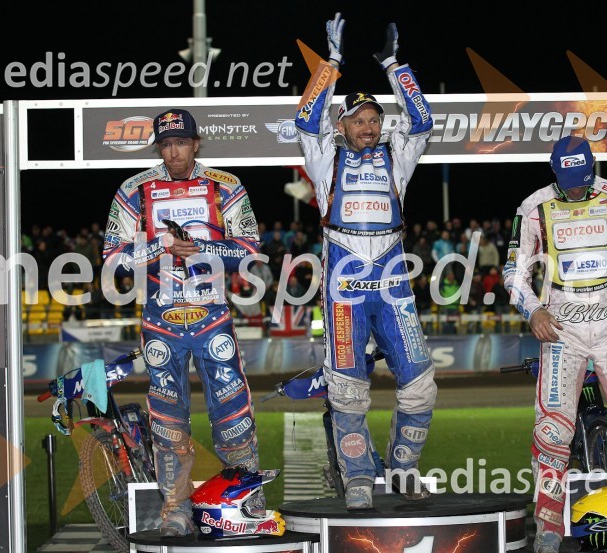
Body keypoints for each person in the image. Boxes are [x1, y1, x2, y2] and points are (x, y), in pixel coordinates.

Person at [503, 136, 607, 553]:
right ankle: (547, 525)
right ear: (554, 172)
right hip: (562, 327)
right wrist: (533, 311)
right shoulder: (533, 207)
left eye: (582, 179)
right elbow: (514, 272)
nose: (575, 188)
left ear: (593, 166)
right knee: (551, 430)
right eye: (568, 180)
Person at [294, 12, 437, 510]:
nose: (369, 127)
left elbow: (421, 120)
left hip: (394, 283)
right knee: (347, 391)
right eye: (359, 120)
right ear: (343, 125)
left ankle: (401, 471)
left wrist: (395, 65)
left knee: (420, 385)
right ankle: (358, 477)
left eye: (375, 119)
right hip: (343, 289)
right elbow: (304, 120)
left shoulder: (398, 156)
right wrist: (330, 63)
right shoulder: (324, 158)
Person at [102, 108, 264, 537]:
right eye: (167, 145)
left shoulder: (225, 186)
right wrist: (159, 246)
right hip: (160, 323)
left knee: (232, 414)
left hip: (213, 320)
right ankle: (175, 509)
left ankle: (245, 501)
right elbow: (113, 260)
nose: (174, 152)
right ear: (159, 147)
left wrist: (206, 248)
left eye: (182, 143)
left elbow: (249, 250)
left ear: (196, 142)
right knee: (169, 421)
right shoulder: (133, 190)